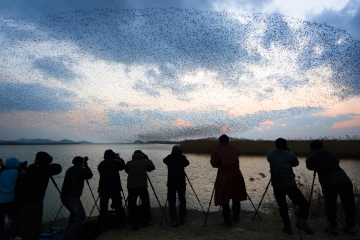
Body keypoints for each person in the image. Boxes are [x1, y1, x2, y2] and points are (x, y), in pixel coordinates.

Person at [306, 140, 356, 236]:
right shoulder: (330, 153)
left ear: (311, 148)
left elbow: (309, 166)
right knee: (348, 204)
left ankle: (333, 227)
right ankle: (350, 226)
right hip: (345, 180)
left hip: (329, 183)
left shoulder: (312, 155)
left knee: (331, 205)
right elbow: (337, 161)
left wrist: (319, 165)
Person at [267, 138, 313, 235]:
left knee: (282, 206)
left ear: (276, 145)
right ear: (285, 145)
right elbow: (295, 163)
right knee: (304, 204)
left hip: (277, 185)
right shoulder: (290, 154)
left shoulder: (270, 154)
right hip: (289, 185)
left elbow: (270, 160)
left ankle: (287, 227)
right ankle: (301, 220)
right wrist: (288, 152)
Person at [18, 152, 62, 240]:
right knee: (35, 222)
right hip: (34, 199)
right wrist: (49, 161)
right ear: (46, 159)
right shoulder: (45, 168)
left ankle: (24, 237)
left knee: (24, 222)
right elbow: (58, 168)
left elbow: (34, 172)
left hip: (21, 199)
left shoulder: (31, 167)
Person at [210, 134, 247, 226]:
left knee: (224, 197)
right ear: (228, 141)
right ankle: (236, 218)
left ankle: (227, 221)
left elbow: (213, 164)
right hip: (237, 174)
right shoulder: (233, 148)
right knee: (236, 196)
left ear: (220, 141)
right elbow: (239, 153)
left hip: (224, 175)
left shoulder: (217, 151)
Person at [61, 156, 93, 240]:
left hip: (64, 196)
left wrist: (83, 165)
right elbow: (90, 175)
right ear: (81, 163)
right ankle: (69, 235)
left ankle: (68, 230)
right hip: (72, 197)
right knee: (82, 216)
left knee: (74, 214)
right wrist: (86, 165)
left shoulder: (70, 169)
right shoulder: (81, 170)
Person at [125, 150, 155, 231]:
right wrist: (147, 159)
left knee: (132, 205)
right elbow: (152, 168)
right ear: (142, 155)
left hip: (131, 187)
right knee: (145, 204)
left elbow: (127, 171)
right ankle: (146, 221)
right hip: (142, 187)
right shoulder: (145, 162)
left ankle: (134, 223)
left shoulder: (129, 163)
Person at [98, 149, 126, 229]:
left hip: (103, 188)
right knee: (118, 206)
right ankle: (120, 223)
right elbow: (123, 166)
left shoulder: (101, 164)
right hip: (115, 187)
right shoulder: (115, 162)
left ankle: (104, 225)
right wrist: (119, 158)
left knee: (103, 207)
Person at [163, 146, 190, 227]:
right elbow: (187, 163)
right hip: (181, 182)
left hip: (171, 183)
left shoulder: (169, 158)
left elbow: (164, 160)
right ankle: (182, 219)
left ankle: (174, 220)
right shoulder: (182, 158)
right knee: (182, 200)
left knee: (171, 201)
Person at [0, 158, 26, 240]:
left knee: (0, 219)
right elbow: (26, 177)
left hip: (1, 199)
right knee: (14, 218)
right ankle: (13, 235)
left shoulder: (2, 172)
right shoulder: (19, 171)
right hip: (12, 199)